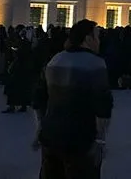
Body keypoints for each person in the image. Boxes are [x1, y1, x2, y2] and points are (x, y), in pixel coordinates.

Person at [32, 19, 113, 179]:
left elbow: (39, 99)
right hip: (81, 138)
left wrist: (41, 127)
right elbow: (103, 106)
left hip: (51, 135)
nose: (99, 40)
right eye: (97, 36)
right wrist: (100, 140)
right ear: (88, 38)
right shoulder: (95, 63)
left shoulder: (55, 60)